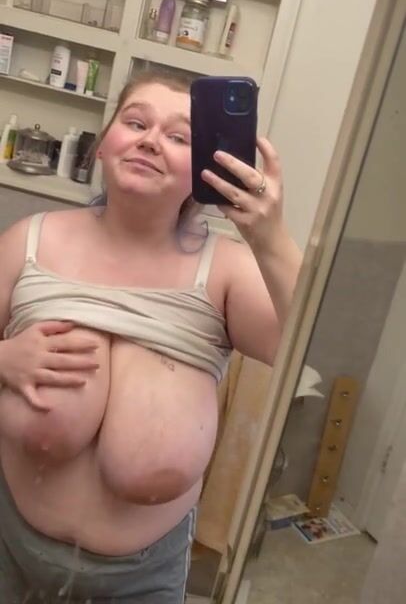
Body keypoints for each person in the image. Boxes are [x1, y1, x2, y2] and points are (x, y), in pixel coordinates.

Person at [0, 71, 302, 603]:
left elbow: (312, 348)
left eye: (179, 136)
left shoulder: (226, 270)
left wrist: (270, 237)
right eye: (136, 123)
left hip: (140, 583)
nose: (150, 140)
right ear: (102, 145)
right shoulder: (29, 240)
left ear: (206, 166)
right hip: (9, 548)